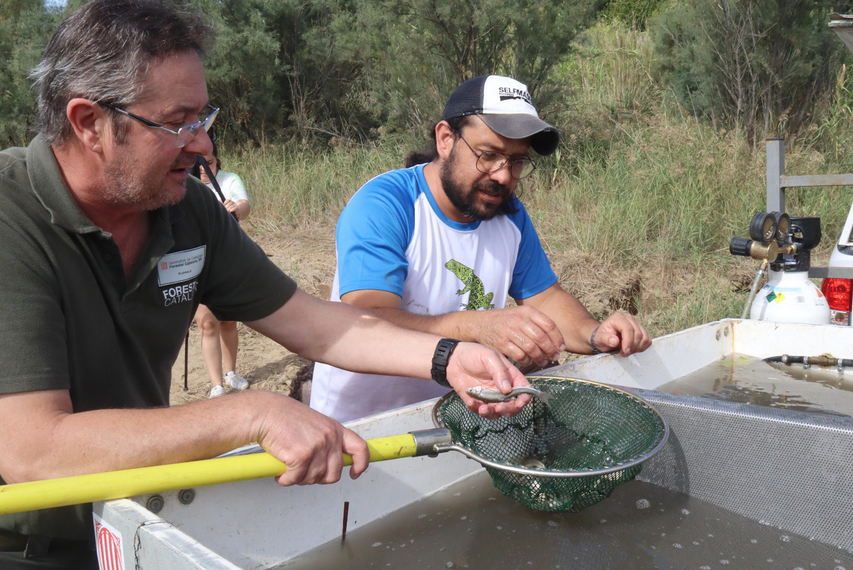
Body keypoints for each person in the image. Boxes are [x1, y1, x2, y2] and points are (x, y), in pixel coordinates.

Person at [0, 2, 529, 567]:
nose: (203, 144)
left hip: (133, 513)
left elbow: (313, 325)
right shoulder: (12, 217)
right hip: (25, 541)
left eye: (204, 118)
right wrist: (251, 412)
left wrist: (448, 357)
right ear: (89, 123)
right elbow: (34, 452)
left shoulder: (187, 211)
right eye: (178, 122)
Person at [310, 75, 653, 423]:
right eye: (488, 155)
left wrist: (595, 333)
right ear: (446, 139)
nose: (503, 176)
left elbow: (546, 299)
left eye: (517, 161)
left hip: (461, 418)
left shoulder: (508, 214)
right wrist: (477, 328)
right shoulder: (387, 204)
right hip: (362, 427)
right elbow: (368, 320)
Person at [189, 140, 252, 397]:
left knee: (228, 320)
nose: (204, 169)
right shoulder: (184, 185)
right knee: (207, 324)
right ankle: (217, 385)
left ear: (217, 161)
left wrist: (236, 208)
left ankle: (231, 373)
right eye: (199, 164)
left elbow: (244, 207)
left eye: (210, 162)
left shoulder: (228, 180)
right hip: (198, 262)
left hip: (227, 258)